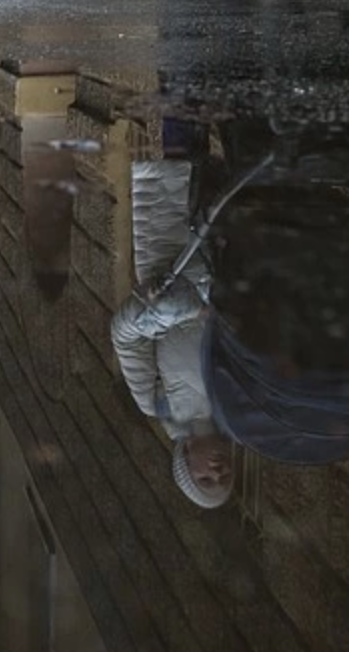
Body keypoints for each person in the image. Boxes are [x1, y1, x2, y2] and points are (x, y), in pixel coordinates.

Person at [110, 119, 236, 509]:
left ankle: (182, 70)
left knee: (183, 143)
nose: (216, 469)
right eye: (224, 476)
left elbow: (125, 335)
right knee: (242, 156)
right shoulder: (242, 410)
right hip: (232, 252)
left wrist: (179, 310)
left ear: (184, 464)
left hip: (173, 251)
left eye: (204, 477)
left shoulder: (156, 401)